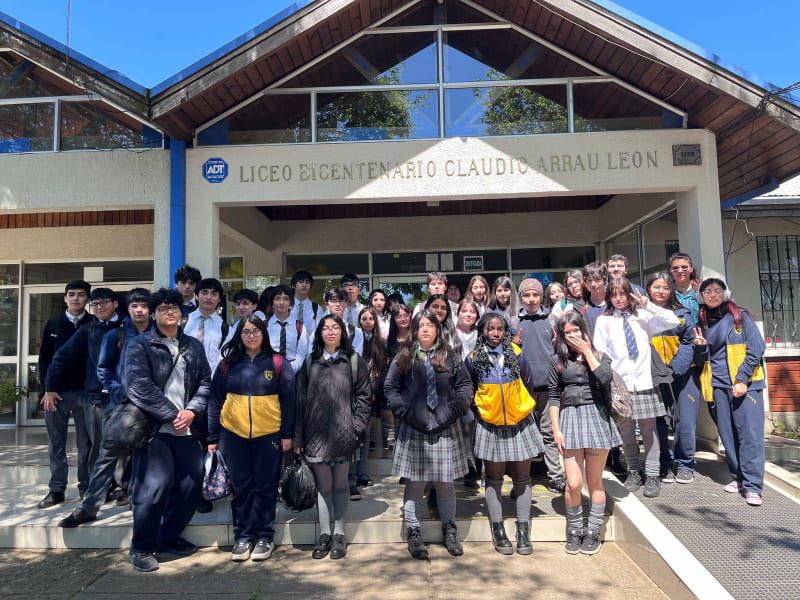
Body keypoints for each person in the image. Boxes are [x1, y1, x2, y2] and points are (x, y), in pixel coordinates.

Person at [124, 288, 211, 572]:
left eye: (173, 308)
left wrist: (192, 411)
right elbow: (138, 386)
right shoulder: (140, 345)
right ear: (153, 313)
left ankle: (168, 537)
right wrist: (173, 414)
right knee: (154, 489)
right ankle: (141, 548)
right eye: (162, 308)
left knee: (190, 487)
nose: (169, 312)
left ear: (181, 312)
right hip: (155, 430)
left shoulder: (193, 346)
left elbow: (206, 383)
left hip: (188, 431)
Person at [59, 288, 154, 527]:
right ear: (128, 309)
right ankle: (89, 506)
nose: (139, 310)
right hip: (121, 406)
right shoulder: (117, 335)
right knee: (107, 455)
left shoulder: (160, 334)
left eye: (144, 305)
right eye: (135, 306)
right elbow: (104, 369)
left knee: (146, 455)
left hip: (152, 406)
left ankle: (138, 499)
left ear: (150, 309)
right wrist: (118, 391)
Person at [384, 310, 473, 560]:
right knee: (415, 483)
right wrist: (406, 412)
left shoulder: (451, 356)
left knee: (445, 483)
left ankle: (449, 528)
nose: (425, 329)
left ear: (437, 329)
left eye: (429, 325)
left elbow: (465, 387)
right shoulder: (403, 356)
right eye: (420, 325)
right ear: (414, 330)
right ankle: (413, 531)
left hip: (446, 426)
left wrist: (453, 410)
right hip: (414, 427)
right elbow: (390, 388)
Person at [208, 315, 296, 562]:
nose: (251, 336)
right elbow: (215, 402)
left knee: (266, 488)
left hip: (268, 435)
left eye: (255, 331)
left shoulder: (278, 362)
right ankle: (243, 537)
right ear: (239, 335)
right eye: (246, 332)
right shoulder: (228, 364)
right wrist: (212, 437)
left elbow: (290, 401)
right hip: (233, 435)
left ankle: (265, 537)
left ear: (264, 334)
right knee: (241, 488)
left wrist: (287, 434)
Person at [294, 314, 372, 560]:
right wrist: (298, 438)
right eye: (326, 328)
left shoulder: (352, 360)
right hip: (315, 435)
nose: (330, 332)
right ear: (319, 333)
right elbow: (299, 402)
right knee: (323, 487)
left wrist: (356, 426)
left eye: (335, 328)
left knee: (340, 485)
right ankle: (324, 534)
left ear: (342, 333)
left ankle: (339, 534)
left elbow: (364, 396)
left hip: (344, 434)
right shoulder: (310, 363)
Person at [593, 278, 680, 499]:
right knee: (626, 430)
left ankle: (652, 475)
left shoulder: (643, 316)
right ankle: (634, 471)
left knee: (649, 429)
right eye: (614, 294)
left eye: (623, 294)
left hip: (643, 382)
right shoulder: (604, 321)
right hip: (620, 385)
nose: (619, 298)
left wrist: (647, 304)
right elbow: (599, 352)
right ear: (609, 297)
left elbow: (673, 321)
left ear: (630, 294)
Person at [466, 312, 544, 555]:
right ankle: (498, 529)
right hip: (490, 424)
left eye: (500, 329)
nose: (496, 333)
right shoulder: (473, 359)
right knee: (494, 479)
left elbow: (529, 383)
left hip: (519, 421)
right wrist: (484, 411)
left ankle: (523, 530)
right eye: (491, 329)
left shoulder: (517, 354)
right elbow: (469, 389)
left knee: (522, 478)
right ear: (483, 332)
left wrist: (516, 406)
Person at [548, 311, 622, 555]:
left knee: (594, 481)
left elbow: (604, 378)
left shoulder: (600, 357)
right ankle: (575, 529)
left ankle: (593, 531)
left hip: (596, 417)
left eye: (575, 331)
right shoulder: (556, 360)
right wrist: (556, 430)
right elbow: (553, 397)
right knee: (573, 482)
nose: (572, 336)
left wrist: (588, 353)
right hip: (569, 418)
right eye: (566, 333)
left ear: (584, 330)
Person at [43, 287, 122, 505]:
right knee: (95, 446)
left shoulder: (128, 326)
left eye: (103, 303)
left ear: (115, 303)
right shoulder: (88, 330)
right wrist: (49, 387)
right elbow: (59, 357)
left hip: (124, 398)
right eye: (95, 304)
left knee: (124, 445)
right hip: (94, 397)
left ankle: (123, 487)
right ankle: (97, 489)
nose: (99, 308)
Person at [695, 278, 766, 505]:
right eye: (708, 291)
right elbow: (704, 357)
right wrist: (698, 346)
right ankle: (738, 478)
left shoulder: (739, 316)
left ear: (725, 293)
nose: (713, 295)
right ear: (702, 295)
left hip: (745, 385)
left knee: (750, 436)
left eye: (718, 291)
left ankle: (753, 485)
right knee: (728, 436)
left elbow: (756, 348)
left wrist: (742, 379)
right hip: (718, 385)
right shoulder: (702, 320)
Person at [37, 280, 93, 508]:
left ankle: (86, 487)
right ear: (65, 298)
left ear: (87, 299)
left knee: (86, 444)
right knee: (56, 443)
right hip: (56, 394)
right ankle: (56, 489)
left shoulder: (93, 323)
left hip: (85, 394)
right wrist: (48, 390)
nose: (76, 299)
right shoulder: (54, 323)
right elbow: (45, 360)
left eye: (81, 295)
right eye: (71, 294)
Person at [646, 273, 699, 484]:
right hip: (653, 377)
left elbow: (689, 342)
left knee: (685, 422)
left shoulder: (682, 313)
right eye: (656, 287)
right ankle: (664, 463)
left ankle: (685, 463)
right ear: (648, 289)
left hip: (682, 375)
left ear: (672, 290)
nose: (660, 291)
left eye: (665, 288)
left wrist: (675, 368)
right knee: (658, 422)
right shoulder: (641, 314)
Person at [517, 278, 564, 493]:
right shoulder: (513, 322)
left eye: (535, 294)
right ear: (521, 298)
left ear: (540, 297)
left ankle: (556, 476)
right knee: (522, 434)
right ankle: (520, 481)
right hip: (523, 387)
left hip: (549, 385)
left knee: (549, 432)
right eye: (526, 295)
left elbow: (560, 350)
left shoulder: (552, 320)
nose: (531, 299)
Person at [349, 307, 389, 488]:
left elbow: (382, 372)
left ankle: (362, 472)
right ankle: (349, 474)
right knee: (352, 435)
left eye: (370, 318)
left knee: (365, 435)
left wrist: (373, 392)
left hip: (371, 395)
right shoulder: (352, 338)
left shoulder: (381, 342)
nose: (367, 321)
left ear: (375, 321)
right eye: (363, 318)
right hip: (352, 393)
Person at [455, 298, 480, 487]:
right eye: (464, 311)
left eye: (472, 312)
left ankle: (476, 467)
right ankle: (466, 467)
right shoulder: (450, 334)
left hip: (479, 386)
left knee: (476, 428)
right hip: (457, 387)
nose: (468, 315)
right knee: (463, 427)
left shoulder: (481, 334)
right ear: (458, 314)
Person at [183, 278, 227, 375]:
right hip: (184, 379)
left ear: (219, 298)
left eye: (214, 294)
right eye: (204, 293)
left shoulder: (226, 329)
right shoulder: (183, 323)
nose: (209, 297)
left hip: (212, 382)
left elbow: (223, 360)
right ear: (196, 296)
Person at [267, 284, 310, 374]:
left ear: (291, 302)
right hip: (269, 371)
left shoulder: (300, 327)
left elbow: (301, 354)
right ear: (272, 303)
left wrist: (289, 370)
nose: (281, 302)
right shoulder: (264, 325)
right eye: (277, 298)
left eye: (286, 299)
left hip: (294, 372)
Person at [324, 287, 364, 354]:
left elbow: (356, 358)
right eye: (333, 301)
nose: (337, 304)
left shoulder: (356, 332)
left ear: (345, 303)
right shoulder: (319, 330)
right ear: (327, 305)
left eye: (340, 301)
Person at [669, 252, 700, 323]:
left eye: (684, 267)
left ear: (691, 268)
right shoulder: (667, 291)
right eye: (675, 268)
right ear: (671, 270)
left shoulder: (700, 289)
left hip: (697, 332)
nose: (680, 271)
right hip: (672, 333)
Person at [582, 262, 608, 336]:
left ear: (605, 280)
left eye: (597, 280)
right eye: (589, 280)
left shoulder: (614, 303)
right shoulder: (582, 306)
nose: (593, 284)